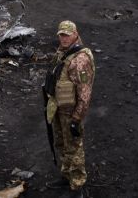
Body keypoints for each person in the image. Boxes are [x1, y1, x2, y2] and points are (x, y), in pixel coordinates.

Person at [43, 21, 95, 196]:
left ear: (75, 34)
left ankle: (78, 185)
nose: (63, 38)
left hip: (70, 113)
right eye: (61, 35)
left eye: (67, 34)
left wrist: (77, 118)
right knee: (61, 143)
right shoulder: (62, 53)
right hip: (59, 108)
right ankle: (66, 176)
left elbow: (85, 93)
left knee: (74, 148)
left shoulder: (80, 60)